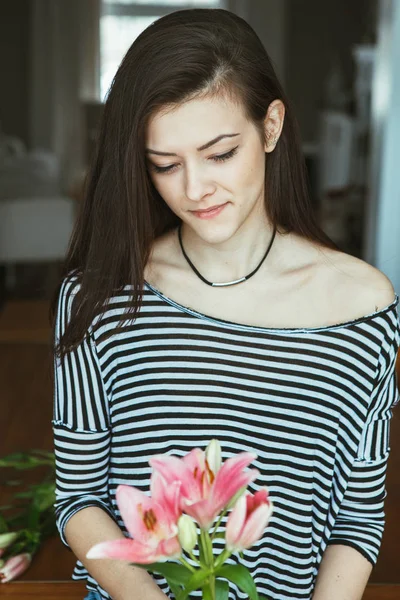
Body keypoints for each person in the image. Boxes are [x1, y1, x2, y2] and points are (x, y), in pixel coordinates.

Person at [50, 8, 400, 600]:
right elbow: (77, 500)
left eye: (219, 154)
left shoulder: (362, 307)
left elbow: (357, 521)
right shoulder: (100, 295)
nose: (194, 189)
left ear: (270, 127)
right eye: (165, 164)